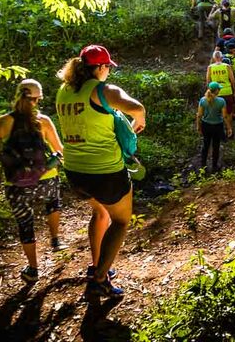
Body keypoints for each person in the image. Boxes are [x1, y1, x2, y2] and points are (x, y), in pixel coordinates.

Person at [56, 44, 146, 299]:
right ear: (100, 67)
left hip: (75, 171)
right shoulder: (102, 90)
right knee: (120, 220)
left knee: (100, 213)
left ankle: (98, 267)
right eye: (107, 66)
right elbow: (136, 107)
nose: (108, 71)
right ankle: (98, 281)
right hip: (105, 171)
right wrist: (138, 122)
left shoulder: (64, 91)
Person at [0, 79, 67, 284]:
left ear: (17, 95)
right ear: (37, 99)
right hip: (46, 178)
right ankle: (55, 239)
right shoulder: (43, 120)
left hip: (16, 185)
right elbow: (60, 149)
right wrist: (56, 160)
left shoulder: (2, 122)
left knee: (25, 224)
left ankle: (33, 269)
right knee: (52, 201)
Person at [196, 82, 233, 173]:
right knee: (216, 146)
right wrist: (229, 128)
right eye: (219, 89)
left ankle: (203, 166)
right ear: (216, 90)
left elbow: (199, 115)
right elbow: (224, 116)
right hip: (217, 126)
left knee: (205, 145)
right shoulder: (221, 101)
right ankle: (214, 166)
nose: (219, 90)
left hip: (206, 125)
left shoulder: (203, 100)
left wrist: (198, 126)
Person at [207, 50, 235, 120]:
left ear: (214, 58)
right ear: (221, 57)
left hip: (215, 92)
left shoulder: (210, 67)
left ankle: (220, 128)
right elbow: (233, 81)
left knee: (217, 113)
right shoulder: (227, 66)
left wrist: (209, 92)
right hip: (227, 92)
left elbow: (208, 81)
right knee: (229, 112)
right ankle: (229, 129)